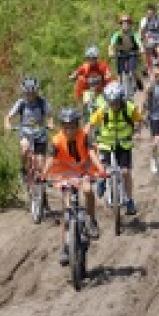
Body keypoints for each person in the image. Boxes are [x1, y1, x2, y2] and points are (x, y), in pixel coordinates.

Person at [44, 107, 107, 264]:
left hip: (83, 170)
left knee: (87, 190)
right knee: (66, 211)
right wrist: (43, 174)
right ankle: (65, 246)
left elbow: (92, 153)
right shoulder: (57, 140)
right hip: (64, 173)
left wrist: (101, 169)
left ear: (77, 125)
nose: (70, 130)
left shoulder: (84, 136)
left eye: (73, 126)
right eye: (66, 126)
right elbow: (51, 158)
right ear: (62, 127)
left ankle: (92, 220)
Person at [87, 81, 143, 215]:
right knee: (103, 167)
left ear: (121, 99)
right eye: (111, 102)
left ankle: (129, 200)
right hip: (106, 143)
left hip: (124, 144)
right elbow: (90, 124)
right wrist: (85, 137)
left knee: (125, 172)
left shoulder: (129, 108)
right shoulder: (103, 110)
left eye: (116, 102)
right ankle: (101, 180)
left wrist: (137, 132)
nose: (114, 105)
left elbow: (139, 120)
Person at [3, 77, 54, 183]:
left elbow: (49, 116)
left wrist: (50, 123)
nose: (30, 95)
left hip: (40, 132)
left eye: (33, 93)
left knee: (40, 162)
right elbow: (8, 116)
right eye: (28, 93)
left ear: (36, 91)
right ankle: (22, 170)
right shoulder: (21, 103)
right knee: (25, 149)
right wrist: (8, 124)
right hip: (25, 131)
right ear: (24, 92)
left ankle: (42, 188)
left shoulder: (42, 102)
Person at [108, 14, 144, 95]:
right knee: (120, 74)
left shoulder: (133, 34)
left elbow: (139, 42)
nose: (125, 25)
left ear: (130, 24)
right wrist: (110, 51)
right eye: (123, 23)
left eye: (127, 23)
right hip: (121, 54)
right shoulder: (117, 34)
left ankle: (137, 80)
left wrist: (141, 48)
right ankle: (119, 88)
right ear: (120, 25)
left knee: (132, 71)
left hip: (132, 53)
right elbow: (111, 44)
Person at [139, 3, 159, 73]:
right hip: (150, 38)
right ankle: (147, 65)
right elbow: (141, 30)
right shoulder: (144, 20)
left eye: (151, 11)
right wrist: (141, 39)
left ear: (154, 11)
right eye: (148, 11)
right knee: (144, 50)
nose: (149, 13)